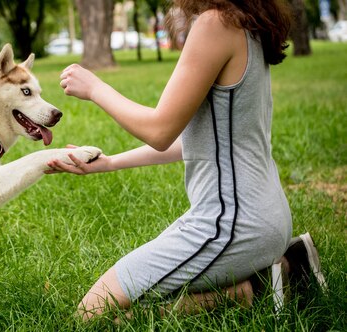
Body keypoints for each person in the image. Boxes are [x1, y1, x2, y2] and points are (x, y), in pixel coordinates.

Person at [47, 0, 326, 320]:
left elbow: (161, 130)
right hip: (263, 218)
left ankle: (251, 291)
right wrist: (110, 163)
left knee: (91, 314)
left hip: (231, 226)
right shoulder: (246, 22)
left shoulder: (216, 24)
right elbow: (199, 140)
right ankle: (286, 267)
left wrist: (95, 88)